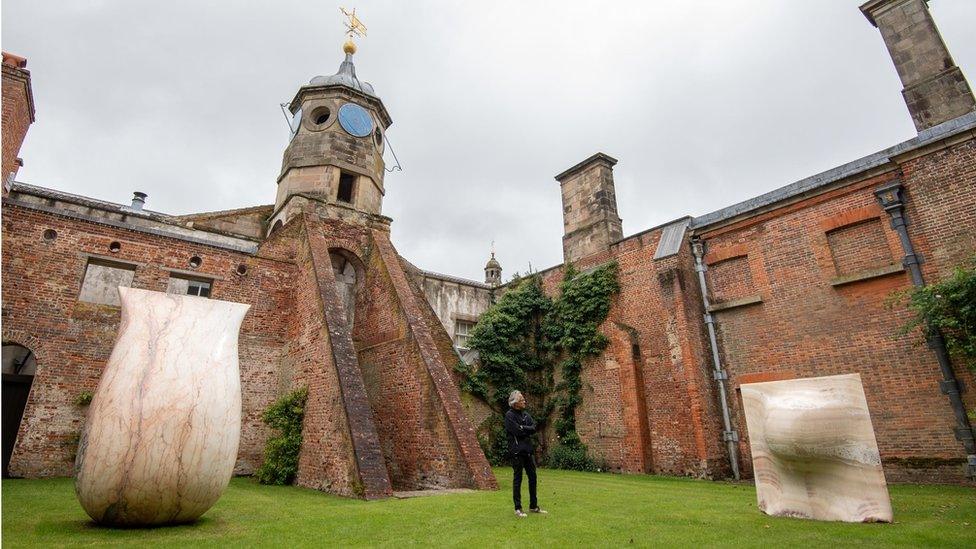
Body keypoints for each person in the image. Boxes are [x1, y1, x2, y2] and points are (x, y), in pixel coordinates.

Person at [504, 390, 547, 517]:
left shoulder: (526, 415)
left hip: (528, 451)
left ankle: (533, 506)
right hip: (517, 451)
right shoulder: (509, 415)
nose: (524, 401)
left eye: (523, 399)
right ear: (515, 403)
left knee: (533, 477)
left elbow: (533, 428)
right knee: (518, 479)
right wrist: (523, 429)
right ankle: (518, 508)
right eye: (522, 400)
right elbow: (516, 431)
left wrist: (523, 428)